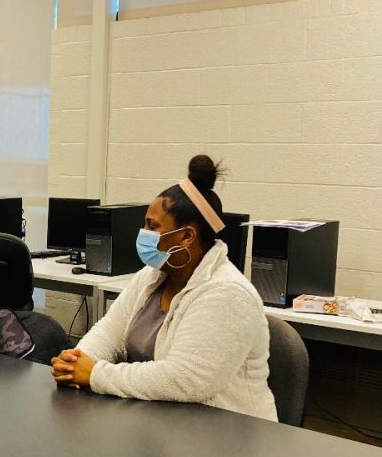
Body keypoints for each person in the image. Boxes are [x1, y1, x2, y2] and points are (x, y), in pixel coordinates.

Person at [51, 155, 277, 421]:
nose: (143, 232)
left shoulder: (227, 293)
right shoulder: (152, 275)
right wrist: (76, 361)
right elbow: (109, 331)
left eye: (152, 226)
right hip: (161, 422)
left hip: (225, 436)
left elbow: (184, 379)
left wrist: (95, 373)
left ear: (186, 237)